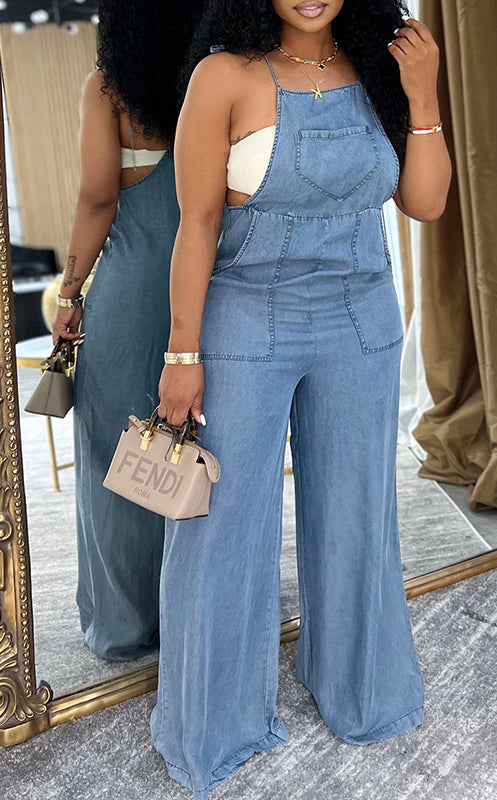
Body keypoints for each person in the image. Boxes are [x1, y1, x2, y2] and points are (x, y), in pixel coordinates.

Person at [154, 0, 451, 795]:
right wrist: (182, 351)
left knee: (358, 515)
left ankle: (359, 690)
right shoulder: (223, 77)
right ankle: (215, 724)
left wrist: (423, 93)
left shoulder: (383, 67)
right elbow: (197, 223)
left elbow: (425, 204)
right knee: (220, 525)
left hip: (361, 323)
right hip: (245, 321)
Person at [52, 0, 204, 661]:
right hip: (208, 296)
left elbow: (96, 198)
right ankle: (192, 609)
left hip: (130, 295)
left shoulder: (108, 91)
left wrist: (69, 292)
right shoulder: (221, 76)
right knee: (194, 449)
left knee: (114, 455)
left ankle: (124, 622)